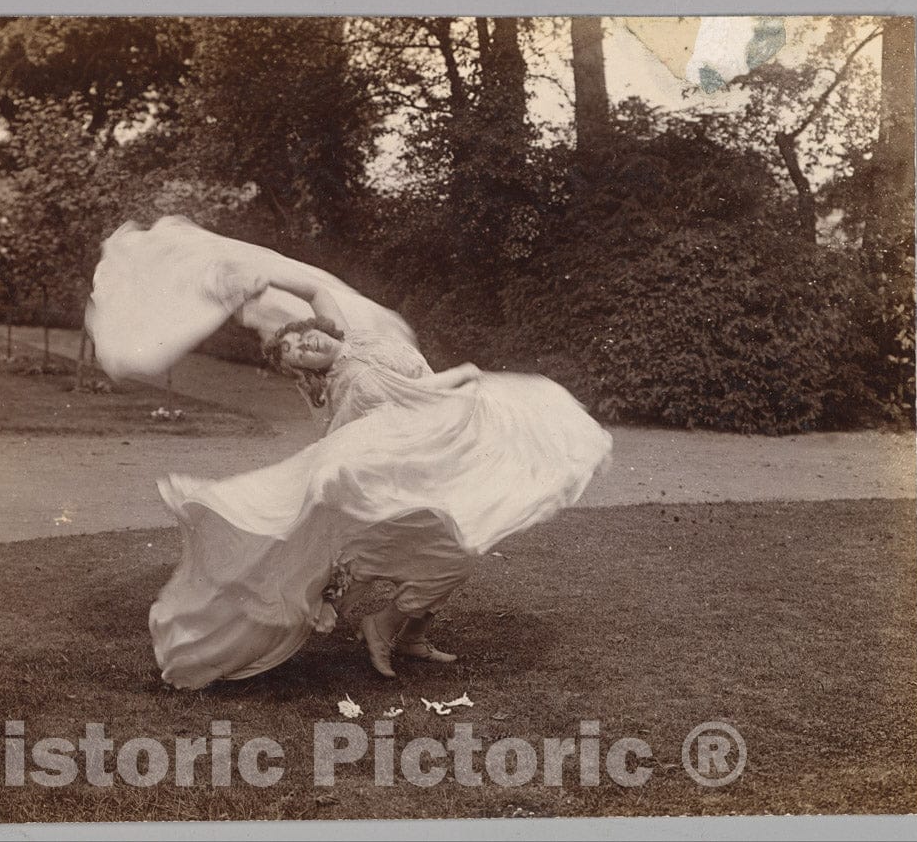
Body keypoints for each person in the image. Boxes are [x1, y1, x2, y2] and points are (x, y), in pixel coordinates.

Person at [149, 266, 613, 688]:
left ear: (315, 328)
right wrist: (456, 378)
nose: (304, 346)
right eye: (295, 355)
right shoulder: (342, 393)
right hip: (409, 478)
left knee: (465, 542)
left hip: (445, 451)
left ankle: (405, 634)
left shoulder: (354, 339)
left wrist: (263, 281)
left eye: (302, 337)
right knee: (455, 551)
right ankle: (384, 625)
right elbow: (360, 442)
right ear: (304, 372)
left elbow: (315, 288)